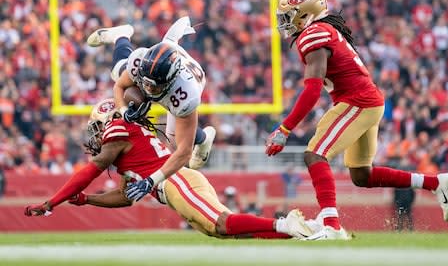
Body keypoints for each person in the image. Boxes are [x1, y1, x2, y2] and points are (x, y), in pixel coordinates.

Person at [265, 0, 448, 240]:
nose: (284, 23)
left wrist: (284, 128)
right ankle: (435, 183)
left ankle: (331, 225)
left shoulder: (313, 34)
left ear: (306, 14)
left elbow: (311, 91)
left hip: (357, 102)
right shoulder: (324, 30)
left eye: (288, 17)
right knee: (361, 175)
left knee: (315, 154)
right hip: (367, 101)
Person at [24, 99, 313, 239]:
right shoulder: (128, 144)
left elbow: (91, 170)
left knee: (222, 223)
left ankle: (285, 224)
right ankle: (297, 233)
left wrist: (52, 202)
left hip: (176, 180)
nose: (97, 135)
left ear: (109, 120)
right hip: (174, 183)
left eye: (98, 127)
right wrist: (88, 200)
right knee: (220, 231)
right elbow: (127, 196)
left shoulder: (118, 129)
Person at [86, 16, 215, 182]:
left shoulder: (184, 95)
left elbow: (184, 153)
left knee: (173, 135)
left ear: (170, 80)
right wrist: (123, 110)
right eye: (145, 83)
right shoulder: (140, 59)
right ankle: (121, 35)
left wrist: (152, 180)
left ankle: (204, 139)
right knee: (118, 72)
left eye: (153, 86)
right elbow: (119, 87)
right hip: (165, 64)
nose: (147, 89)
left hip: (187, 82)